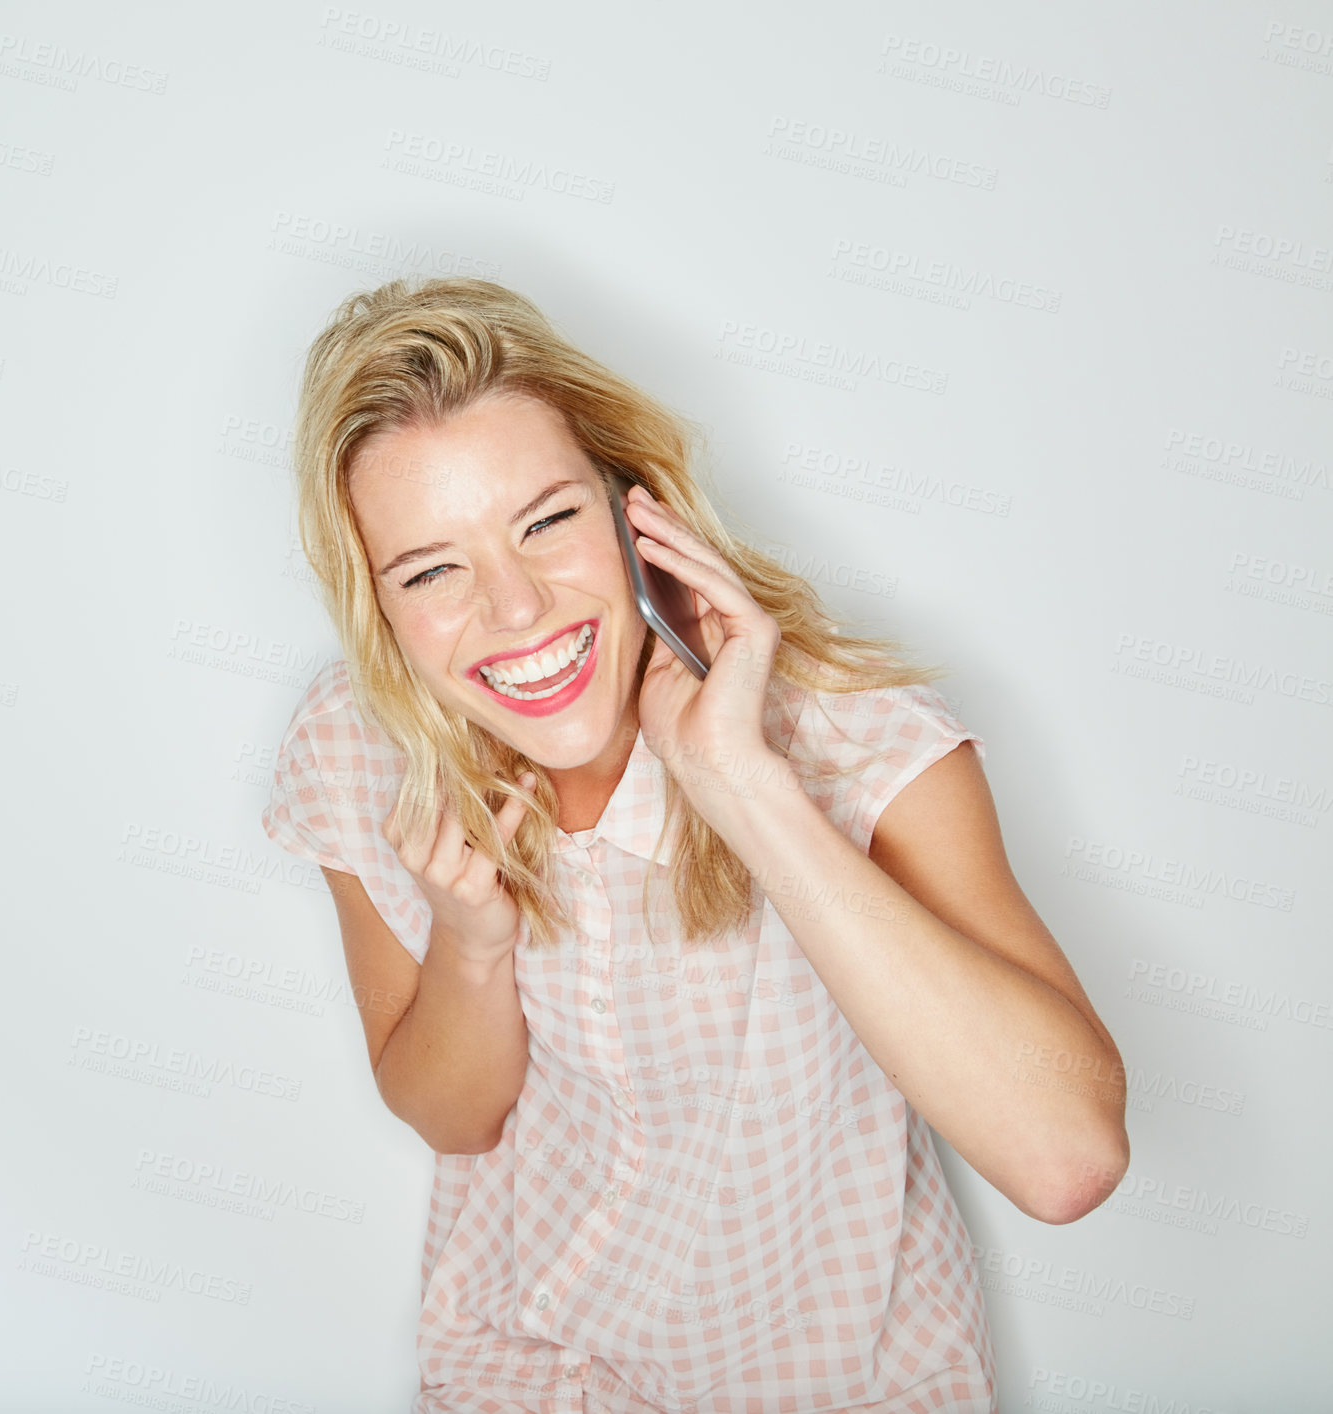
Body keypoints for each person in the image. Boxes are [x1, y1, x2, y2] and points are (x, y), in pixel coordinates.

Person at [261, 276, 1130, 1414]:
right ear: (375, 606)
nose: (515, 607)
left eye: (545, 521)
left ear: (636, 510)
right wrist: (471, 947)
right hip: (516, 1380)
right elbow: (452, 1116)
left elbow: (1065, 1159)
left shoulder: (850, 736)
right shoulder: (357, 745)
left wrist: (744, 787)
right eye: (432, 569)